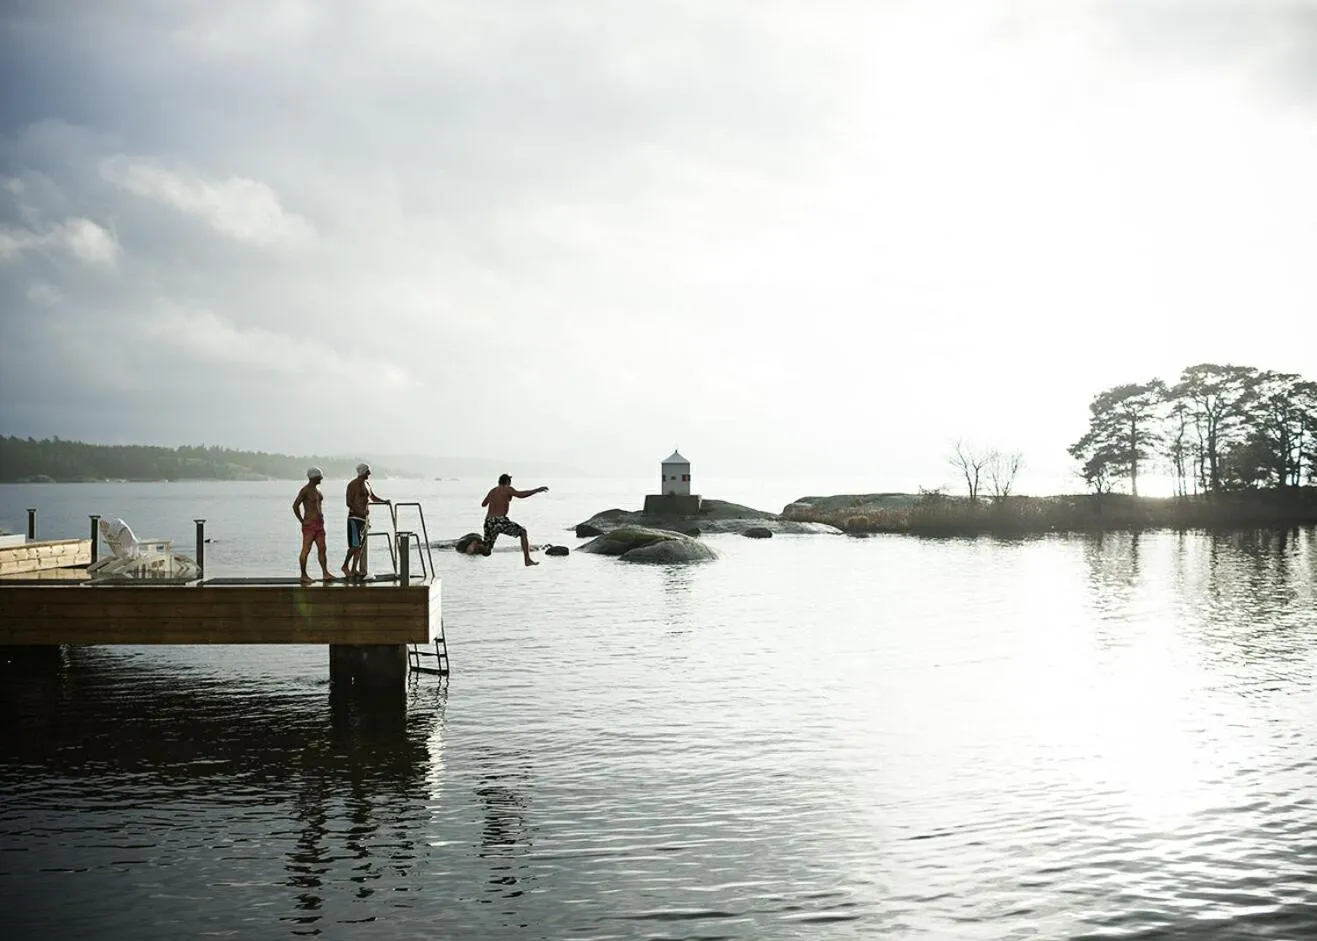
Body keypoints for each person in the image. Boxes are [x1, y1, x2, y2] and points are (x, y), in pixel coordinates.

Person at [481, 473, 548, 566]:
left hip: (488, 521)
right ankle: (527, 560)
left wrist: (494, 500)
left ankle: (472, 546)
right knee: (523, 532)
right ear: (507, 482)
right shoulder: (507, 489)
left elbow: (483, 504)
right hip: (499, 520)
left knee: (487, 550)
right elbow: (521, 495)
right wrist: (536, 490)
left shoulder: (492, 491)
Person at [341, 462, 390, 579]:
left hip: (364, 520)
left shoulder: (367, 484)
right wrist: (360, 512)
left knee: (360, 546)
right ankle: (345, 566)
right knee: (354, 545)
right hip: (354, 518)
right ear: (363, 472)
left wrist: (384, 501)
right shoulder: (352, 485)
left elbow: (372, 497)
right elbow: (349, 502)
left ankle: (354, 569)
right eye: (368, 471)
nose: (370, 473)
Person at [293, 467, 336, 583]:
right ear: (314, 478)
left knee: (322, 548)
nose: (321, 478)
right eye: (319, 477)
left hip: (319, 524)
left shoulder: (318, 491)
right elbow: (295, 506)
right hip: (309, 524)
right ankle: (303, 575)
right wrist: (302, 520)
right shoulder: (305, 490)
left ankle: (325, 573)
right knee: (306, 549)